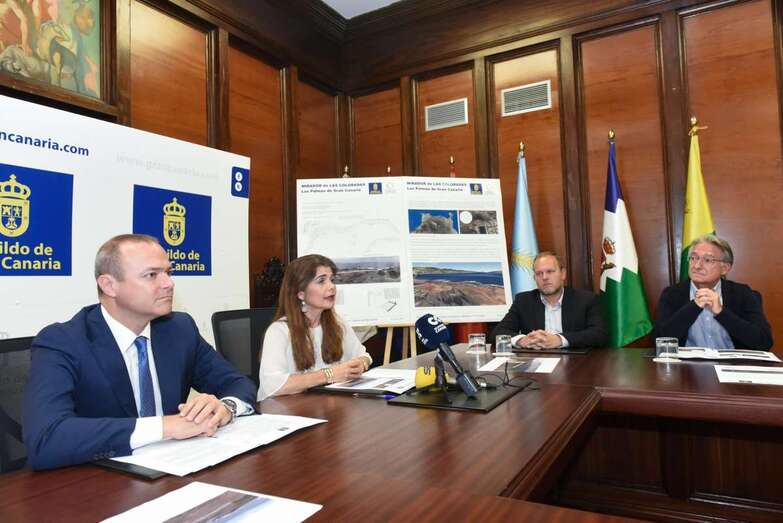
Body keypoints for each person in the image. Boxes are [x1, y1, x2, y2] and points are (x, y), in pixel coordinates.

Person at [23, 234, 256, 470]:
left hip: (174, 468)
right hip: (98, 482)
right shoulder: (63, 341)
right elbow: (46, 439)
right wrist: (166, 427)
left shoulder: (179, 329)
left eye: (169, 272)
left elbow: (238, 383)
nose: (168, 283)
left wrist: (225, 408)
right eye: (151, 275)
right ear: (109, 285)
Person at [258, 254, 372, 400]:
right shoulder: (279, 331)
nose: (331, 286)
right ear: (300, 293)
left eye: (332, 280)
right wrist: (330, 374)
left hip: (325, 406)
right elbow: (273, 386)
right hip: (285, 412)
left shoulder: (337, 323)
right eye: (321, 281)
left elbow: (363, 355)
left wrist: (360, 364)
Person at [654, 234, 772, 349]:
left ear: (725, 268)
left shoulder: (743, 294)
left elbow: (763, 342)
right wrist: (694, 306)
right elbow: (659, 340)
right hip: (687, 366)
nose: (697, 265)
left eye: (707, 260)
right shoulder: (671, 294)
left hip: (731, 365)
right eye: (693, 258)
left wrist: (721, 313)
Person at [492, 252, 607, 349]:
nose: (545, 277)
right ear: (534, 278)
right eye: (539, 273)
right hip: (536, 364)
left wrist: (559, 339)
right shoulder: (523, 301)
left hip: (575, 365)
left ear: (563, 274)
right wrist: (521, 340)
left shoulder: (586, 299)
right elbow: (497, 333)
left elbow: (599, 334)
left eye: (550, 271)